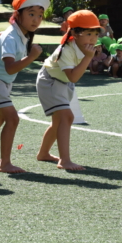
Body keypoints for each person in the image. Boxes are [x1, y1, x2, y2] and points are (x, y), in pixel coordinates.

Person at [0, 0, 47, 173]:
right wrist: (32, 57)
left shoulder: (18, 33)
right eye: (31, 14)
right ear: (18, 14)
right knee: (12, 118)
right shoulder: (12, 36)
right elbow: (10, 68)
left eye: (40, 15)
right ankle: (5, 163)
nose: (36, 19)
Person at [35, 10, 100, 170]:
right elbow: (73, 77)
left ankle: (43, 154)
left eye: (95, 33)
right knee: (67, 117)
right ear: (75, 34)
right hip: (50, 82)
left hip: (63, 83)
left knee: (59, 121)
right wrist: (88, 57)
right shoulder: (66, 50)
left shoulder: (83, 47)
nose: (93, 38)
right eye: (88, 33)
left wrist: (87, 56)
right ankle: (64, 160)